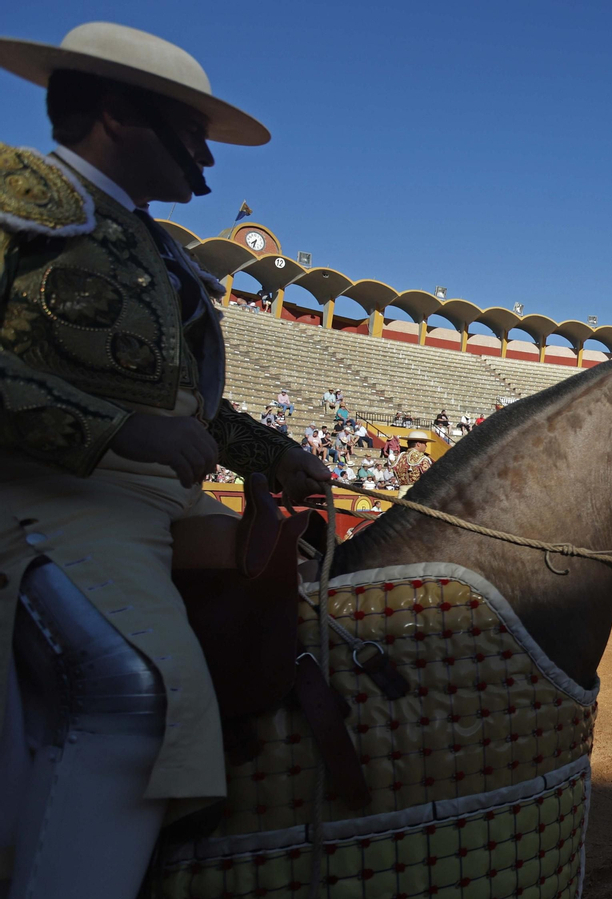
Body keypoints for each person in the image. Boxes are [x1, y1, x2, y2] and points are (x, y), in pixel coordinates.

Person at [0, 22, 330, 898]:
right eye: (192, 135)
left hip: (158, 505)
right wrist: (112, 429)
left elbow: (189, 412)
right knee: (130, 692)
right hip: (48, 493)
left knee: (309, 638)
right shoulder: (12, 191)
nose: (207, 166)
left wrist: (279, 452)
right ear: (117, 111)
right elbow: (141, 422)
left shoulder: (161, 251)